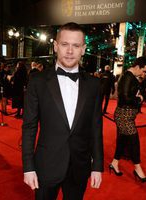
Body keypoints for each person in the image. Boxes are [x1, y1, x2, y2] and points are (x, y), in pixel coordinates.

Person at [22, 22, 104, 200]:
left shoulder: (93, 85)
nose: (69, 51)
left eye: (75, 46)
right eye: (65, 44)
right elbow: (29, 127)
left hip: (79, 166)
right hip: (46, 164)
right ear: (55, 46)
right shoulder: (38, 81)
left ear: (83, 49)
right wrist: (28, 167)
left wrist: (97, 165)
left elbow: (96, 128)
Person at [109, 57, 146, 183]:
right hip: (124, 115)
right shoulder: (127, 76)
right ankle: (138, 168)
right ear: (138, 66)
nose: (144, 73)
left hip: (127, 114)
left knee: (122, 140)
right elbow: (125, 97)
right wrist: (139, 99)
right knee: (134, 141)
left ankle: (114, 163)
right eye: (144, 70)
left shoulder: (131, 76)